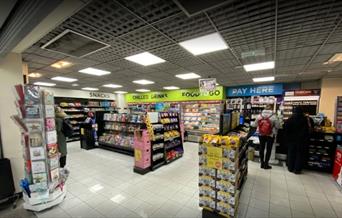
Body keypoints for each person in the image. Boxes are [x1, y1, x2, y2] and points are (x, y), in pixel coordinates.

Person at [284, 107, 310, 174]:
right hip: (301, 140)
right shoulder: (304, 120)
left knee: (291, 154)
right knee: (299, 155)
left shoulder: (290, 119)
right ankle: (297, 169)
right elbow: (306, 130)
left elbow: (286, 129)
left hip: (291, 140)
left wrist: (287, 138)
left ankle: (290, 168)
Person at [256, 105, 279, 169]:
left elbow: (255, 124)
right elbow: (278, 126)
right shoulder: (274, 116)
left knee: (261, 148)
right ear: (271, 109)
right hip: (270, 135)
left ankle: (261, 163)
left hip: (261, 134)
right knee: (268, 149)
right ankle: (266, 164)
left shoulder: (259, 116)